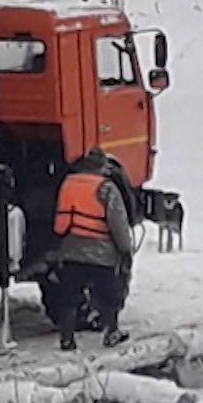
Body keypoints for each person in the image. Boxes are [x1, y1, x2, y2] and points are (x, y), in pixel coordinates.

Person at [50, 149, 135, 351]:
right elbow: (118, 222)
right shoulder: (106, 188)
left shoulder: (68, 183)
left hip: (71, 250)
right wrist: (125, 250)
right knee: (109, 296)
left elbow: (60, 222)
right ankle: (111, 332)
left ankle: (67, 338)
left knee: (69, 297)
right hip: (101, 253)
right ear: (100, 167)